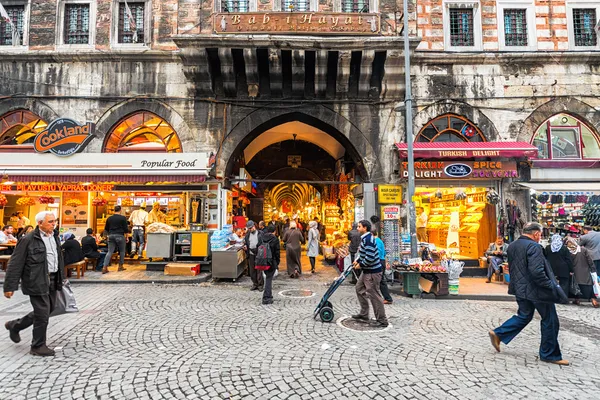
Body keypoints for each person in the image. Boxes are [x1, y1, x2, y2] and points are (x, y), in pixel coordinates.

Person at [489, 222, 569, 366]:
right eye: (540, 234)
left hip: (520, 288)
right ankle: (549, 354)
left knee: (524, 315)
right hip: (537, 290)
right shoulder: (534, 247)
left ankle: (499, 333)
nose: (540, 237)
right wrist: (549, 285)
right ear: (536, 234)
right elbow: (537, 272)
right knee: (550, 320)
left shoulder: (513, 245)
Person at [3, 211, 64, 357]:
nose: (53, 224)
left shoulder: (54, 236)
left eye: (54, 221)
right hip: (36, 280)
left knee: (49, 309)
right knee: (42, 312)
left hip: (53, 278)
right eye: (50, 222)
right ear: (40, 223)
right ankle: (37, 346)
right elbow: (15, 263)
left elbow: (57, 258)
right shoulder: (28, 239)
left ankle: (15, 325)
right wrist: (10, 286)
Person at [352, 220, 388, 328]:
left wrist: (361, 264)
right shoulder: (364, 239)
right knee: (359, 288)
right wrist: (358, 260)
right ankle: (364, 314)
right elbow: (364, 253)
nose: (357, 228)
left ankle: (382, 320)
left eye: (359, 227)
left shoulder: (368, 239)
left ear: (365, 228)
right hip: (367, 271)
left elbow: (370, 257)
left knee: (374, 295)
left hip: (372, 272)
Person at [566, 238, 599, 308]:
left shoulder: (569, 252)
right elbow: (590, 261)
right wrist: (593, 270)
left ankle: (577, 299)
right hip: (585, 272)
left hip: (575, 273)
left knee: (576, 287)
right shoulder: (583, 250)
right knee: (589, 287)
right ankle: (593, 300)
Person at [102, 205, 129, 274]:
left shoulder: (109, 218)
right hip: (120, 236)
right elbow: (126, 229)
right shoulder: (123, 218)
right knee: (122, 251)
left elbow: (106, 229)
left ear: (114, 210)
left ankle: (104, 267)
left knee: (109, 252)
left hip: (111, 236)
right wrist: (127, 237)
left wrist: (106, 236)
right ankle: (120, 266)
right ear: (120, 210)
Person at [260, 225, 280, 305]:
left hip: (263, 260)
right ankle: (266, 298)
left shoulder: (262, 237)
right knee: (268, 279)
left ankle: (268, 295)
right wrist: (277, 262)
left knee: (267, 278)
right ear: (274, 231)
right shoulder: (275, 239)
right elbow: (277, 252)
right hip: (271, 261)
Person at [373, 230, 393, 304]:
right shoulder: (379, 240)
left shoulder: (376, 241)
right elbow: (384, 253)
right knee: (380, 280)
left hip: (379, 262)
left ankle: (388, 298)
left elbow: (377, 253)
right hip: (382, 261)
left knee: (381, 280)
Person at [244, 221, 264, 291]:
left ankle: (260, 284)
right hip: (251, 253)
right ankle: (255, 284)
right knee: (252, 270)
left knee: (259, 270)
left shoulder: (260, 233)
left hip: (259, 253)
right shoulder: (247, 235)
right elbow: (246, 243)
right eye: (249, 228)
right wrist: (246, 247)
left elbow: (263, 243)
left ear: (254, 226)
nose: (250, 229)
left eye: (251, 228)